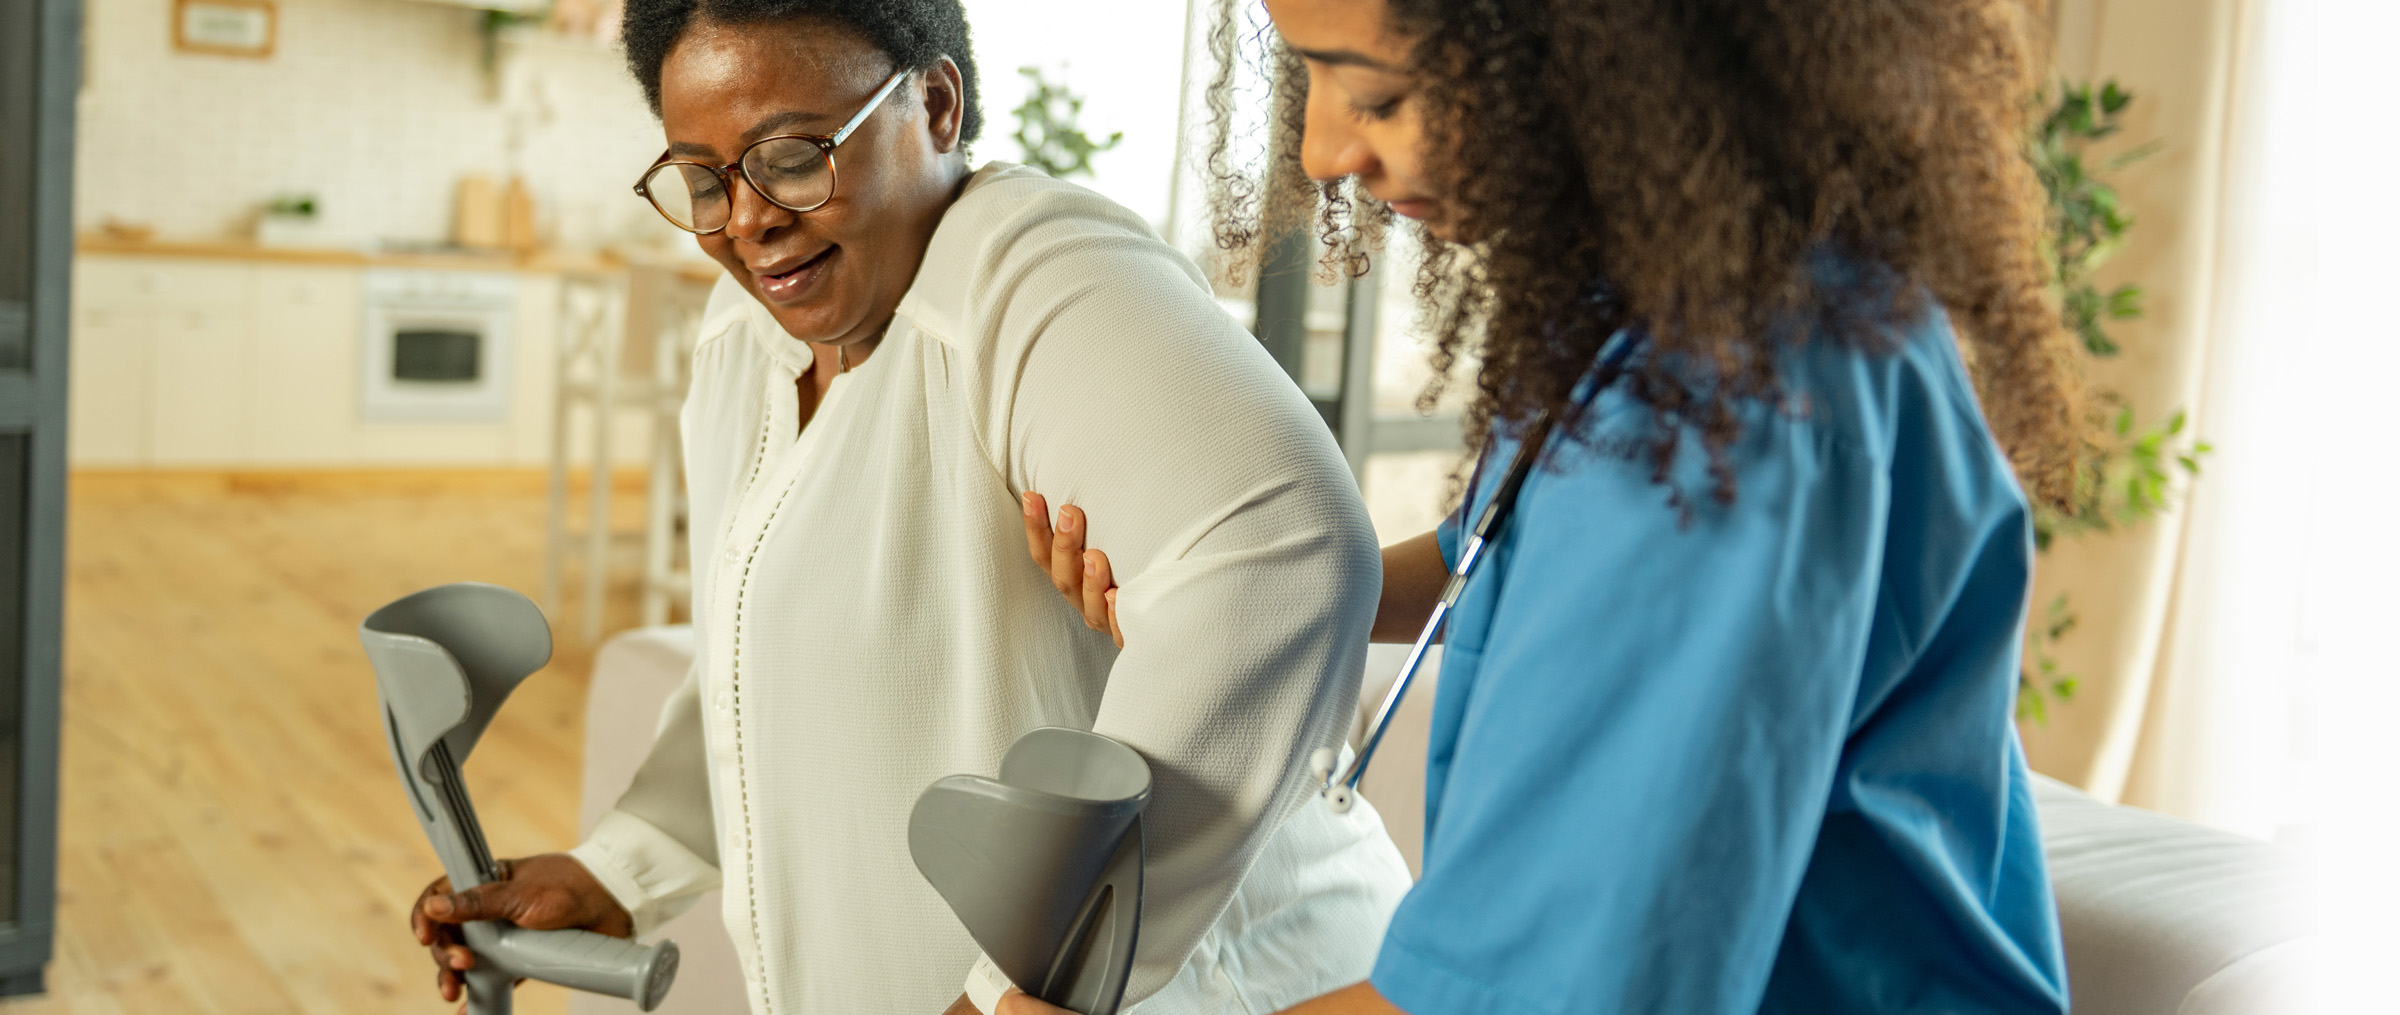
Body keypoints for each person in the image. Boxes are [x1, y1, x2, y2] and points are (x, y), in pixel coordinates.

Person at [1008, 0, 2079, 1012]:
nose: (1323, 153)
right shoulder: (1681, 310)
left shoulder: (1718, 428)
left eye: (1374, 94)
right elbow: (1500, 555)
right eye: (1308, 80)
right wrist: (1251, 583)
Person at [405, 1, 1414, 1012]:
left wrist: (1027, 977)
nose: (749, 218)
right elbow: (757, 660)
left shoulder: (1039, 272)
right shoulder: (742, 336)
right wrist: (619, 869)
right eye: (704, 180)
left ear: (935, 104)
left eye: (793, 156)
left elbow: (1286, 558)